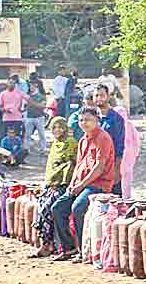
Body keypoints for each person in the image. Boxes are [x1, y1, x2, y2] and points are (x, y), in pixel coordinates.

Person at [49, 107, 115, 262]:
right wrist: (72, 185)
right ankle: (68, 247)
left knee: (77, 208)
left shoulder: (103, 138)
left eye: (88, 120)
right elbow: (79, 165)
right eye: (81, 120)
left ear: (97, 120)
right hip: (80, 183)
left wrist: (80, 186)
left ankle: (83, 250)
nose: (84, 123)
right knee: (57, 208)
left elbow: (99, 167)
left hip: (98, 184)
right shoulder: (83, 140)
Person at [33, 117, 79, 259]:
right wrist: (48, 184)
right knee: (40, 205)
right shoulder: (55, 144)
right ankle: (47, 243)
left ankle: (60, 245)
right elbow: (51, 167)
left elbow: (72, 165)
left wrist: (61, 181)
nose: (57, 130)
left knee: (49, 208)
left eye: (60, 127)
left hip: (66, 184)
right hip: (53, 184)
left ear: (65, 128)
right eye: (54, 128)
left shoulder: (71, 143)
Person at [92, 84, 127, 195]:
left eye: (102, 95)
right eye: (96, 95)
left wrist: (116, 170)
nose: (99, 98)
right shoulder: (92, 117)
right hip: (94, 166)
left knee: (114, 203)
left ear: (108, 97)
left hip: (110, 167)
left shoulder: (116, 119)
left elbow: (120, 146)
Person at [24, 80, 48, 153]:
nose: (30, 87)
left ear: (36, 86)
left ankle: (43, 148)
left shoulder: (41, 96)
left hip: (39, 117)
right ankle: (27, 148)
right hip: (29, 116)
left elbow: (43, 106)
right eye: (30, 86)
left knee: (42, 134)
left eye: (32, 85)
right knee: (27, 134)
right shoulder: (27, 95)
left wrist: (31, 103)